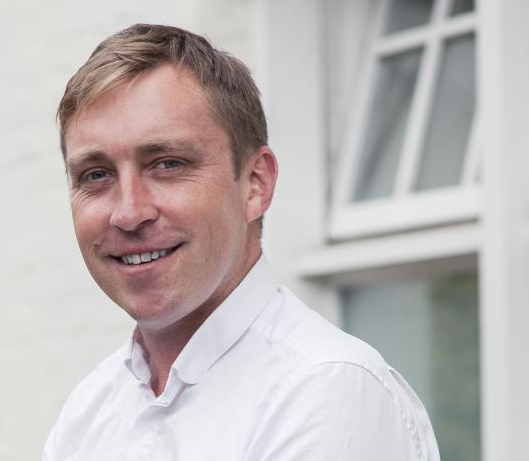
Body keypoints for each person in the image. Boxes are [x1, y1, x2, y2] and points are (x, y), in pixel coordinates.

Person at [44, 24, 440, 460]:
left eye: (167, 164)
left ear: (255, 184)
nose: (129, 212)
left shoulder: (325, 390)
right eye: (96, 175)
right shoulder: (89, 410)